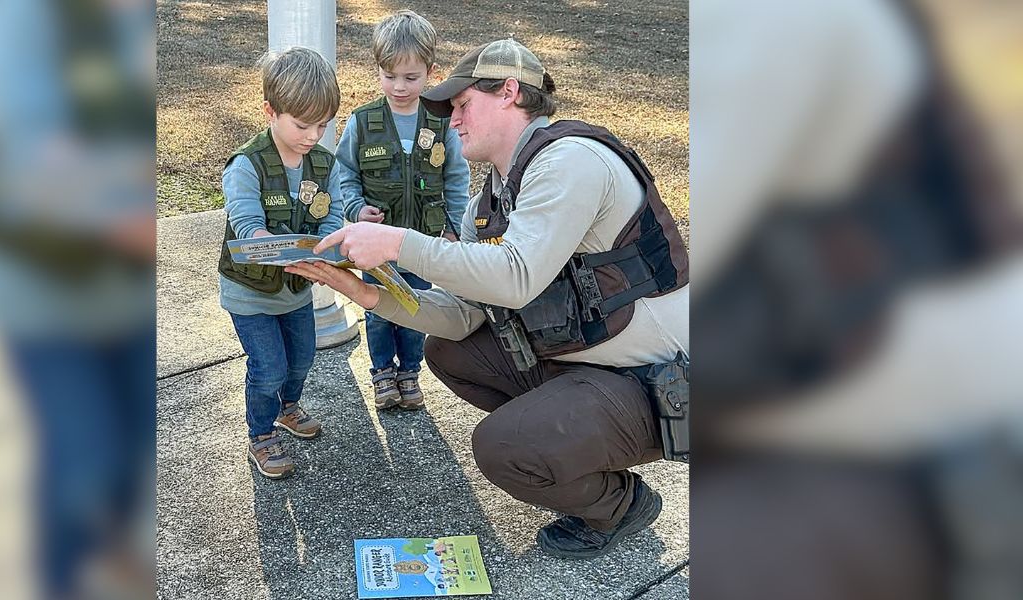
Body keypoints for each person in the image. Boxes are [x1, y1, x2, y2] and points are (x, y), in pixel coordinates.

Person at [287, 39, 689, 559]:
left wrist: (399, 243)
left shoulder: (572, 160)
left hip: (660, 382)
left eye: (461, 104)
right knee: (447, 351)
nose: (452, 121)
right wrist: (366, 294)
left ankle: (619, 504)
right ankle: (573, 450)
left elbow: (516, 277)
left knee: (502, 448)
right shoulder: (488, 201)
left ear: (509, 92)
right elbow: (464, 315)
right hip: (586, 365)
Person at [0, 0, 156, 596]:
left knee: (133, 456)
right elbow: (39, 160)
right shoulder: (22, 19)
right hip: (42, 294)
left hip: (127, 297)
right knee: (85, 463)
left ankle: (110, 564)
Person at [216, 47, 345, 480]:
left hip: (296, 290)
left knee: (302, 358)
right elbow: (245, 216)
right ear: (271, 111)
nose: (313, 135)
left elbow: (333, 212)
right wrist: (259, 238)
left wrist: (330, 242)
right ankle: (261, 433)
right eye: (303, 124)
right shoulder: (246, 164)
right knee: (268, 366)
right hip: (250, 293)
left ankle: (288, 407)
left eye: (323, 125)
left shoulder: (324, 164)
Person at [332, 10, 470, 410]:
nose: (399, 86)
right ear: (378, 70)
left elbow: (456, 178)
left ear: (430, 71)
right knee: (377, 311)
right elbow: (344, 174)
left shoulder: (443, 122)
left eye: (411, 78)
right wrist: (356, 208)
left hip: (423, 243)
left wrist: (454, 229)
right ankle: (382, 374)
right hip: (375, 245)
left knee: (416, 308)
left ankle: (410, 373)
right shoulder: (363, 122)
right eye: (389, 75)